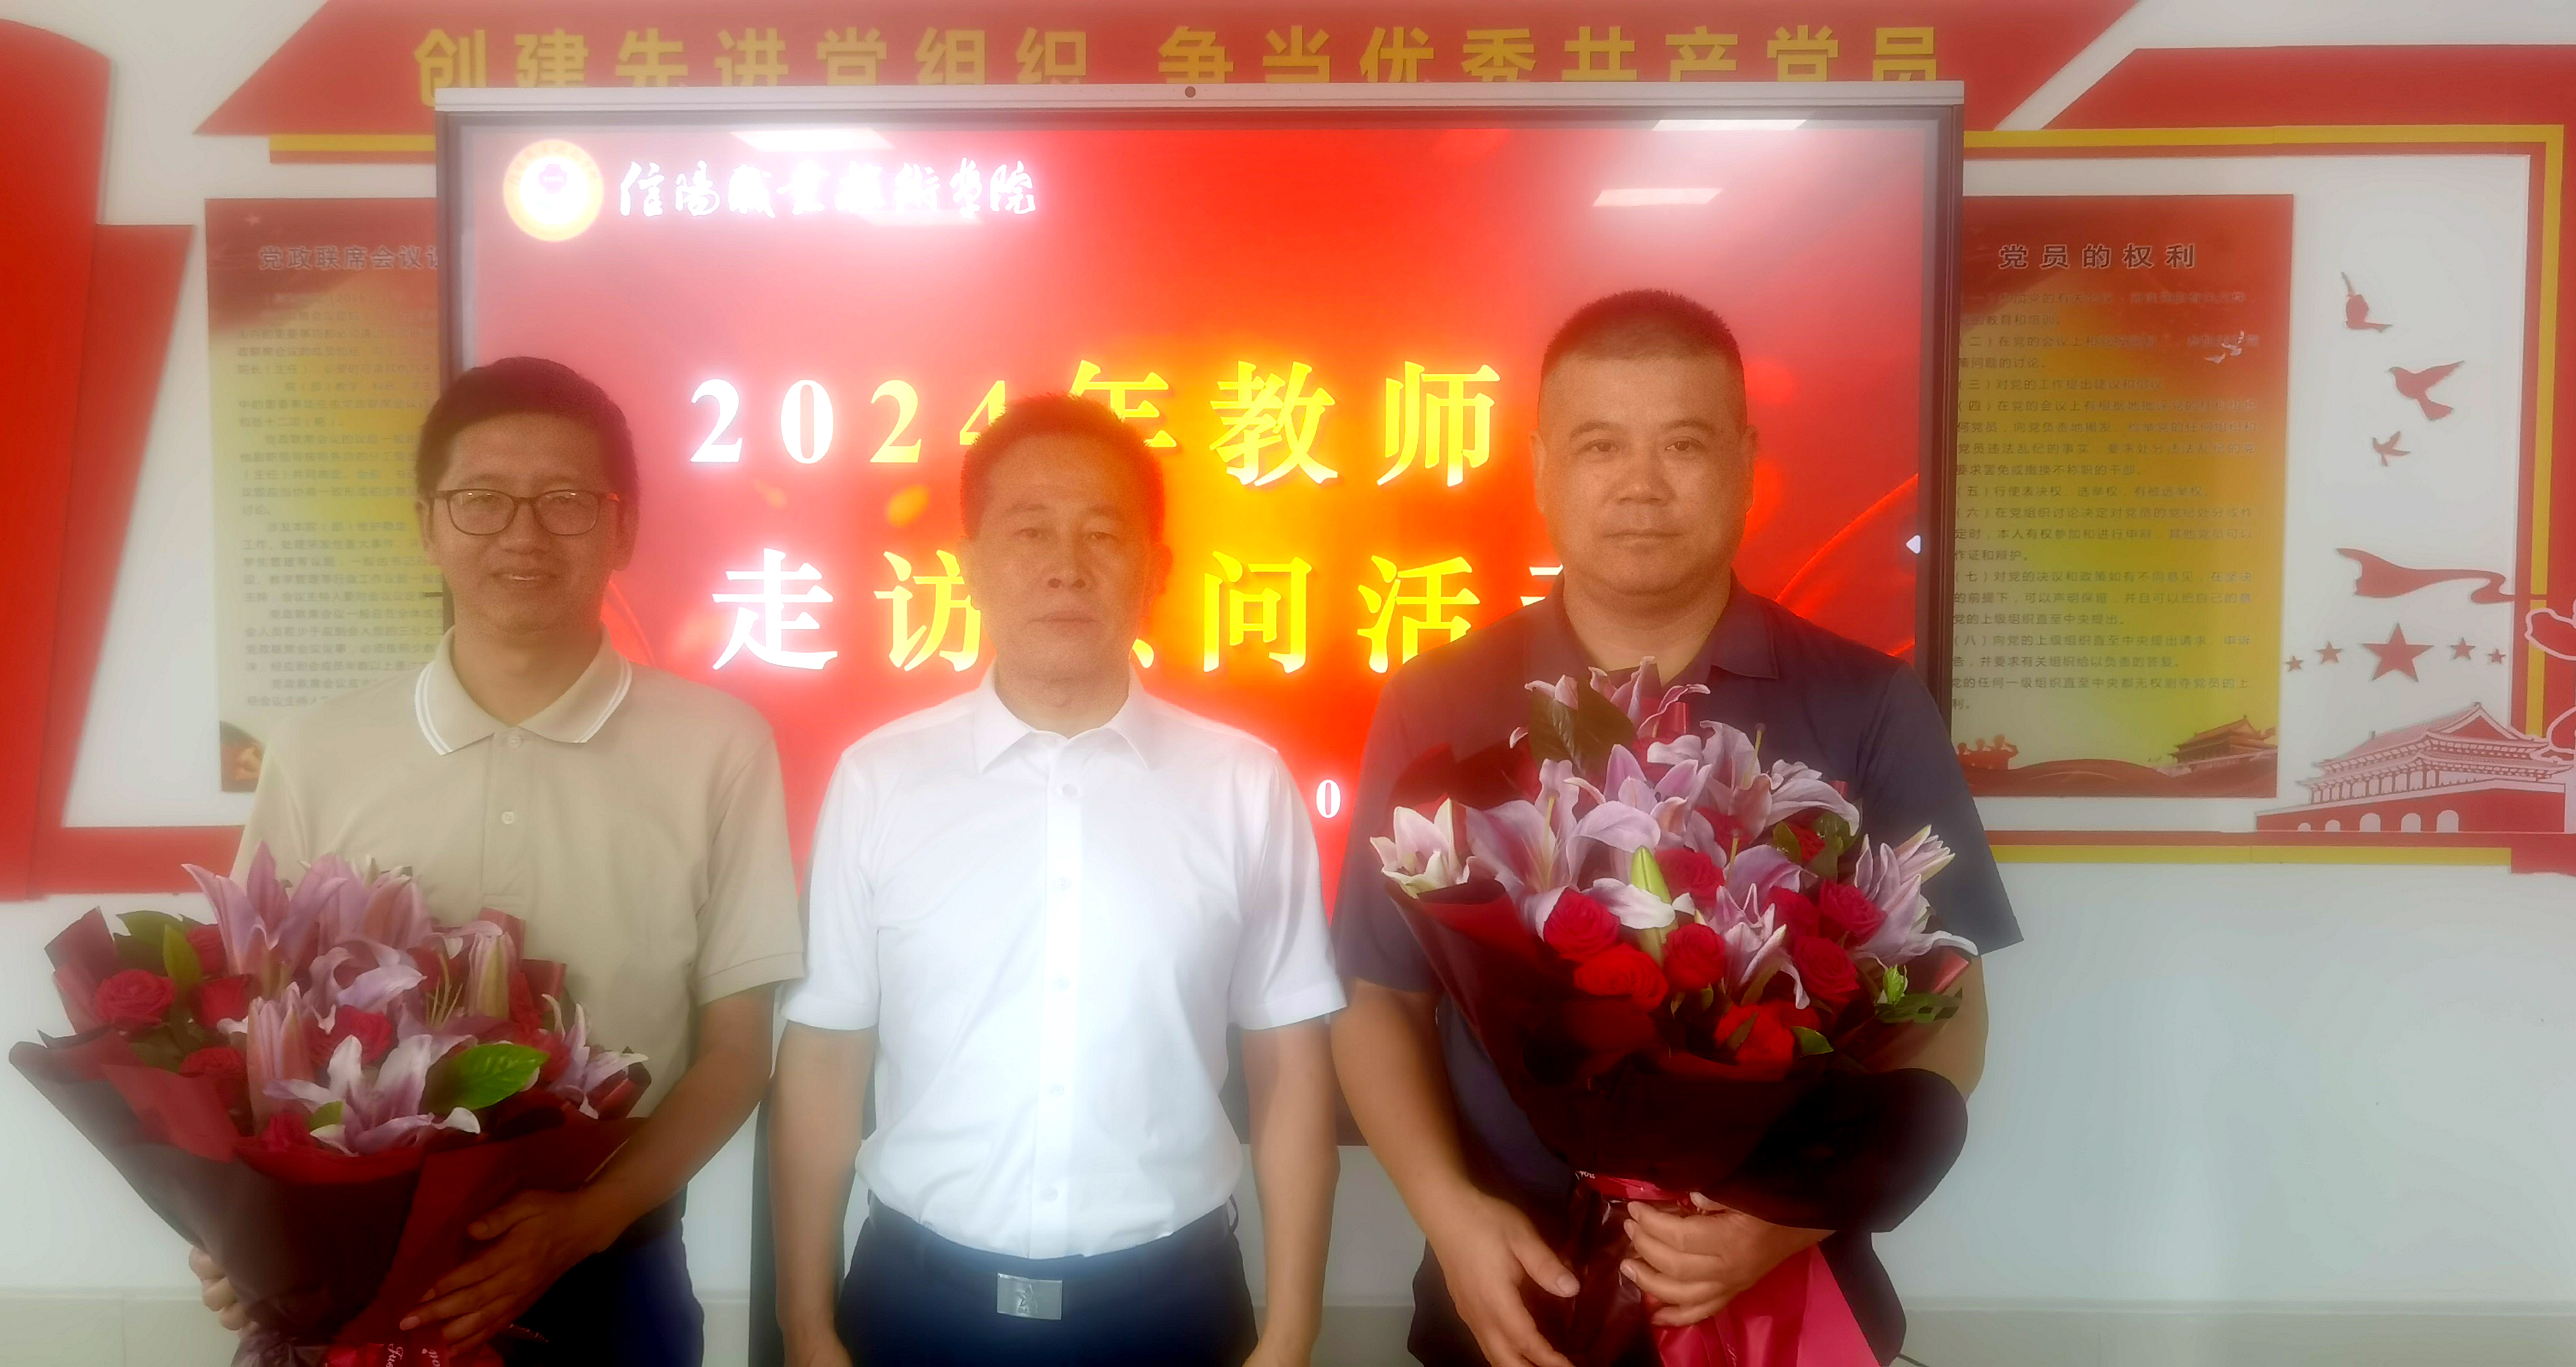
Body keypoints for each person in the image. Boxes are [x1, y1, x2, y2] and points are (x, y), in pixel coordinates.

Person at [1329, 290, 2021, 1367]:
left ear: (1745, 462)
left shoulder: (1868, 705)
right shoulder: (1441, 702)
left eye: (1685, 445)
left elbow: (1950, 1009)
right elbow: (1379, 996)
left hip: (1789, 1306)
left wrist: (1795, 1217)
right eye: (1601, 445)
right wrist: (1448, 1217)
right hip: (1509, 1298)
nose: (1642, 484)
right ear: (1543, 468)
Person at [189, 356, 805, 1365]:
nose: (523, 534)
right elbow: (248, 1026)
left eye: (566, 500)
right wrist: (235, 1226)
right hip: (355, 1273)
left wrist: (589, 1219)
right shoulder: (319, 749)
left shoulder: (718, 747)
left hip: (615, 1264)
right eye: (481, 500)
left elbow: (737, 1048)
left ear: (623, 529)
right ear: (427, 526)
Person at [769, 394, 1344, 1367]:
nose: (1066, 565)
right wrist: (805, 1324)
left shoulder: (1242, 784)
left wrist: (1291, 1330)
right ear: (970, 565)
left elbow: (1288, 1064)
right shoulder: (879, 779)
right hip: (915, 1304)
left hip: (1175, 1309)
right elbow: (825, 1059)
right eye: (1030, 529)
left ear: (1156, 572)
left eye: (1103, 534)